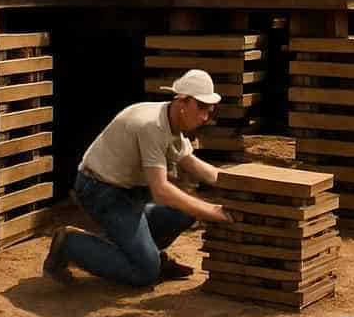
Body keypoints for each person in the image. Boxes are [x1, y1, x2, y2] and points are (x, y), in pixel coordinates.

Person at [42, 68, 234, 287]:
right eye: (200, 107)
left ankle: (142, 250)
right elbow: (161, 191)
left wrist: (245, 186)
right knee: (145, 272)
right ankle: (70, 243)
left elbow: (200, 169)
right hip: (101, 191)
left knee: (185, 212)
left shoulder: (173, 123)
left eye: (208, 110)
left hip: (129, 195)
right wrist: (212, 211)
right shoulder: (152, 126)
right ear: (182, 102)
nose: (205, 117)